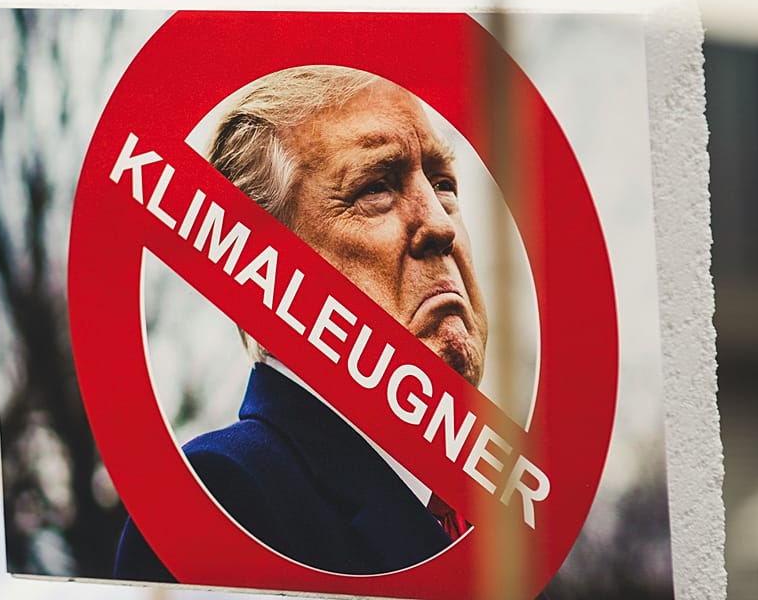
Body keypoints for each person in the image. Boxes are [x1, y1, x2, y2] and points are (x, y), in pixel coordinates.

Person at [113, 66, 489, 581]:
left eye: (443, 184)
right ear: (263, 278)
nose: (441, 225)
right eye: (376, 187)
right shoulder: (223, 501)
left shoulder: (504, 521)